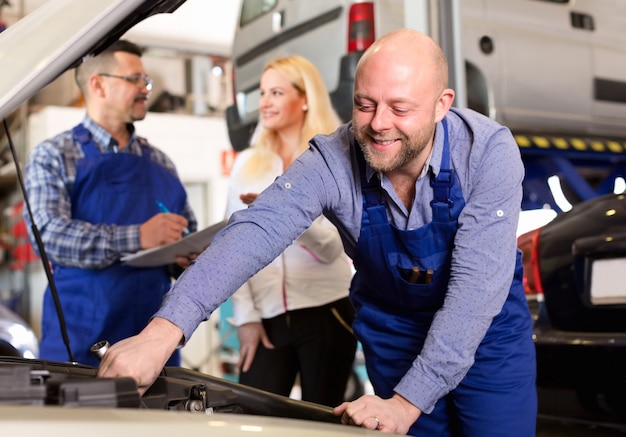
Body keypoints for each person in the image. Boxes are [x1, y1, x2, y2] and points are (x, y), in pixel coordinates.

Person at [98, 29, 537, 436]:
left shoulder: (486, 153)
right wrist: (160, 334)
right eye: (365, 104)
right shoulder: (333, 157)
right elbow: (256, 229)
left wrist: (406, 403)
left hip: (487, 334)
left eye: (400, 108)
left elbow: (476, 290)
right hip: (395, 331)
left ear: (443, 104)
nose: (379, 123)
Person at [23, 39, 197, 367]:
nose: (146, 88)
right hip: (78, 344)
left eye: (147, 80)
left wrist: (187, 257)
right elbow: (47, 236)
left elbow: (187, 233)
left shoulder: (162, 162)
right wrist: (138, 238)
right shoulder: (54, 156)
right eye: (135, 79)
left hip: (152, 343)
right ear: (98, 84)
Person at [225, 55, 356, 406]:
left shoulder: (332, 160)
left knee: (324, 422)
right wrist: (246, 319)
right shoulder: (246, 164)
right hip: (266, 318)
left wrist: (286, 214)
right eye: (263, 93)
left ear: (305, 99)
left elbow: (332, 249)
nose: (265, 102)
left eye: (277, 92)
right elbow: (232, 248)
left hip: (327, 310)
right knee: (251, 416)